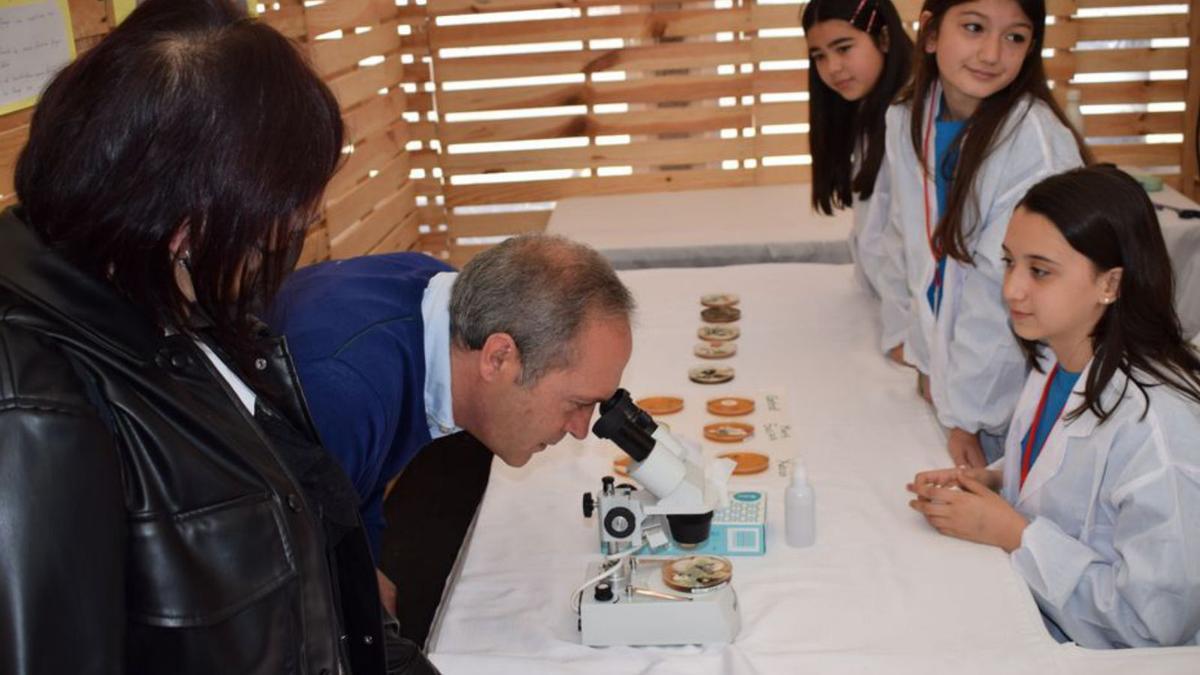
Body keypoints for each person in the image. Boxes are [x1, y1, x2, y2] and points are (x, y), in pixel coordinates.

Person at [0, 1, 436, 673]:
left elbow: (315, 573)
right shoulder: (35, 401)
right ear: (188, 218)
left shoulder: (185, 311)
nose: (281, 237)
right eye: (276, 216)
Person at [906, 165, 1200, 648]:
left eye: (1039, 271)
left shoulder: (1160, 428)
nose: (1011, 289)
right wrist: (997, 478)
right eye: (1008, 262)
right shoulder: (1056, 355)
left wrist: (1016, 535)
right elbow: (1068, 456)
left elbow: (1153, 626)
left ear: (1110, 283)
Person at [267, 235, 636, 612]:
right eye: (577, 403)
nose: (579, 428)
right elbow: (267, 578)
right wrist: (349, 593)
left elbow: (353, 481)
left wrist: (363, 567)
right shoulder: (342, 390)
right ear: (497, 358)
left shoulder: (440, 304)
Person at [883, 0, 1091, 466]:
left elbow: (1002, 295)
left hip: (1012, 384)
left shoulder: (1034, 144)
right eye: (974, 28)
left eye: (1014, 37)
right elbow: (918, 256)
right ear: (931, 33)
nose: (992, 53)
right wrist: (925, 358)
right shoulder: (907, 118)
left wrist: (968, 416)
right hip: (953, 378)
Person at [802, 0, 913, 362]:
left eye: (844, 48)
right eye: (819, 55)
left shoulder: (912, 119)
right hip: (884, 313)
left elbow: (910, 246)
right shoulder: (870, 110)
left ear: (883, 38)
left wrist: (900, 335)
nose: (832, 68)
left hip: (911, 332)